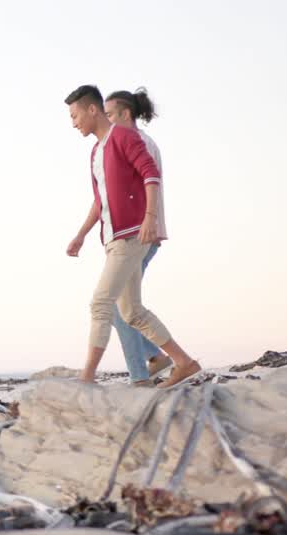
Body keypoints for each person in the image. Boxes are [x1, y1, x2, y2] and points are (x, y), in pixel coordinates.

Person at [63, 84, 200, 388]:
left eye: (75, 116)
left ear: (92, 109)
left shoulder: (124, 136)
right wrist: (81, 235)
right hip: (113, 238)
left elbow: (150, 173)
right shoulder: (96, 151)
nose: (73, 123)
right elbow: (101, 201)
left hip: (132, 235)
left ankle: (87, 378)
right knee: (131, 312)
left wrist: (150, 219)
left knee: (101, 303)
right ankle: (184, 363)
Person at [100, 88, 172, 385]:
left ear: (125, 114)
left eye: (109, 115)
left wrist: (147, 222)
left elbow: (147, 184)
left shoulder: (137, 141)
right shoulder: (138, 141)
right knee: (120, 307)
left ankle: (142, 375)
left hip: (140, 236)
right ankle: (153, 359)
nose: (107, 122)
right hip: (140, 235)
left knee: (121, 308)